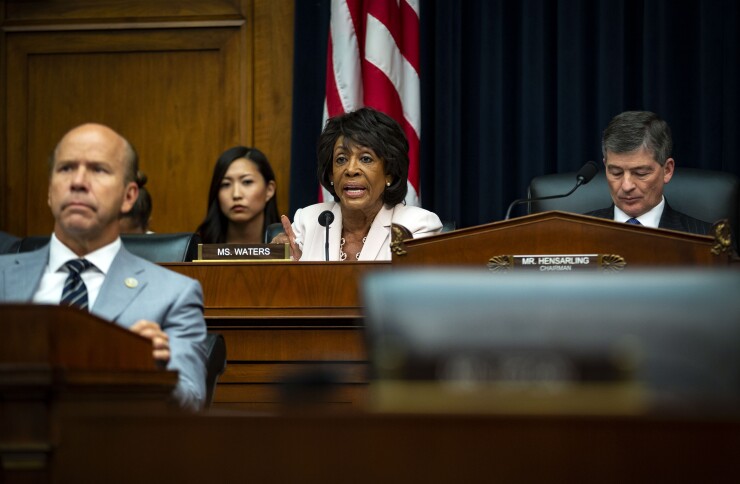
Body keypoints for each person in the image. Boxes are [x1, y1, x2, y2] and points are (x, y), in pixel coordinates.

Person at [0, 123, 207, 410]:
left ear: (129, 197)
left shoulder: (174, 294)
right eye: (66, 168)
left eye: (98, 170)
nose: (78, 182)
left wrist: (149, 372)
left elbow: (192, 401)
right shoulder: (3, 278)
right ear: (50, 191)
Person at [276, 107, 442, 261]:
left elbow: (414, 289)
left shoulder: (417, 226)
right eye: (341, 159)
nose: (351, 169)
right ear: (331, 173)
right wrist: (287, 265)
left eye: (366, 159)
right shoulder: (308, 221)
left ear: (389, 173)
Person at [585, 110, 712, 234]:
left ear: (667, 170)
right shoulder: (576, 232)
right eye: (616, 172)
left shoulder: (708, 240)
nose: (627, 186)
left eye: (641, 173)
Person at [197, 146, 278, 244]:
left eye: (247, 182)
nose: (236, 194)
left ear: (269, 190)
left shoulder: (292, 246)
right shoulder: (197, 249)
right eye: (226, 184)